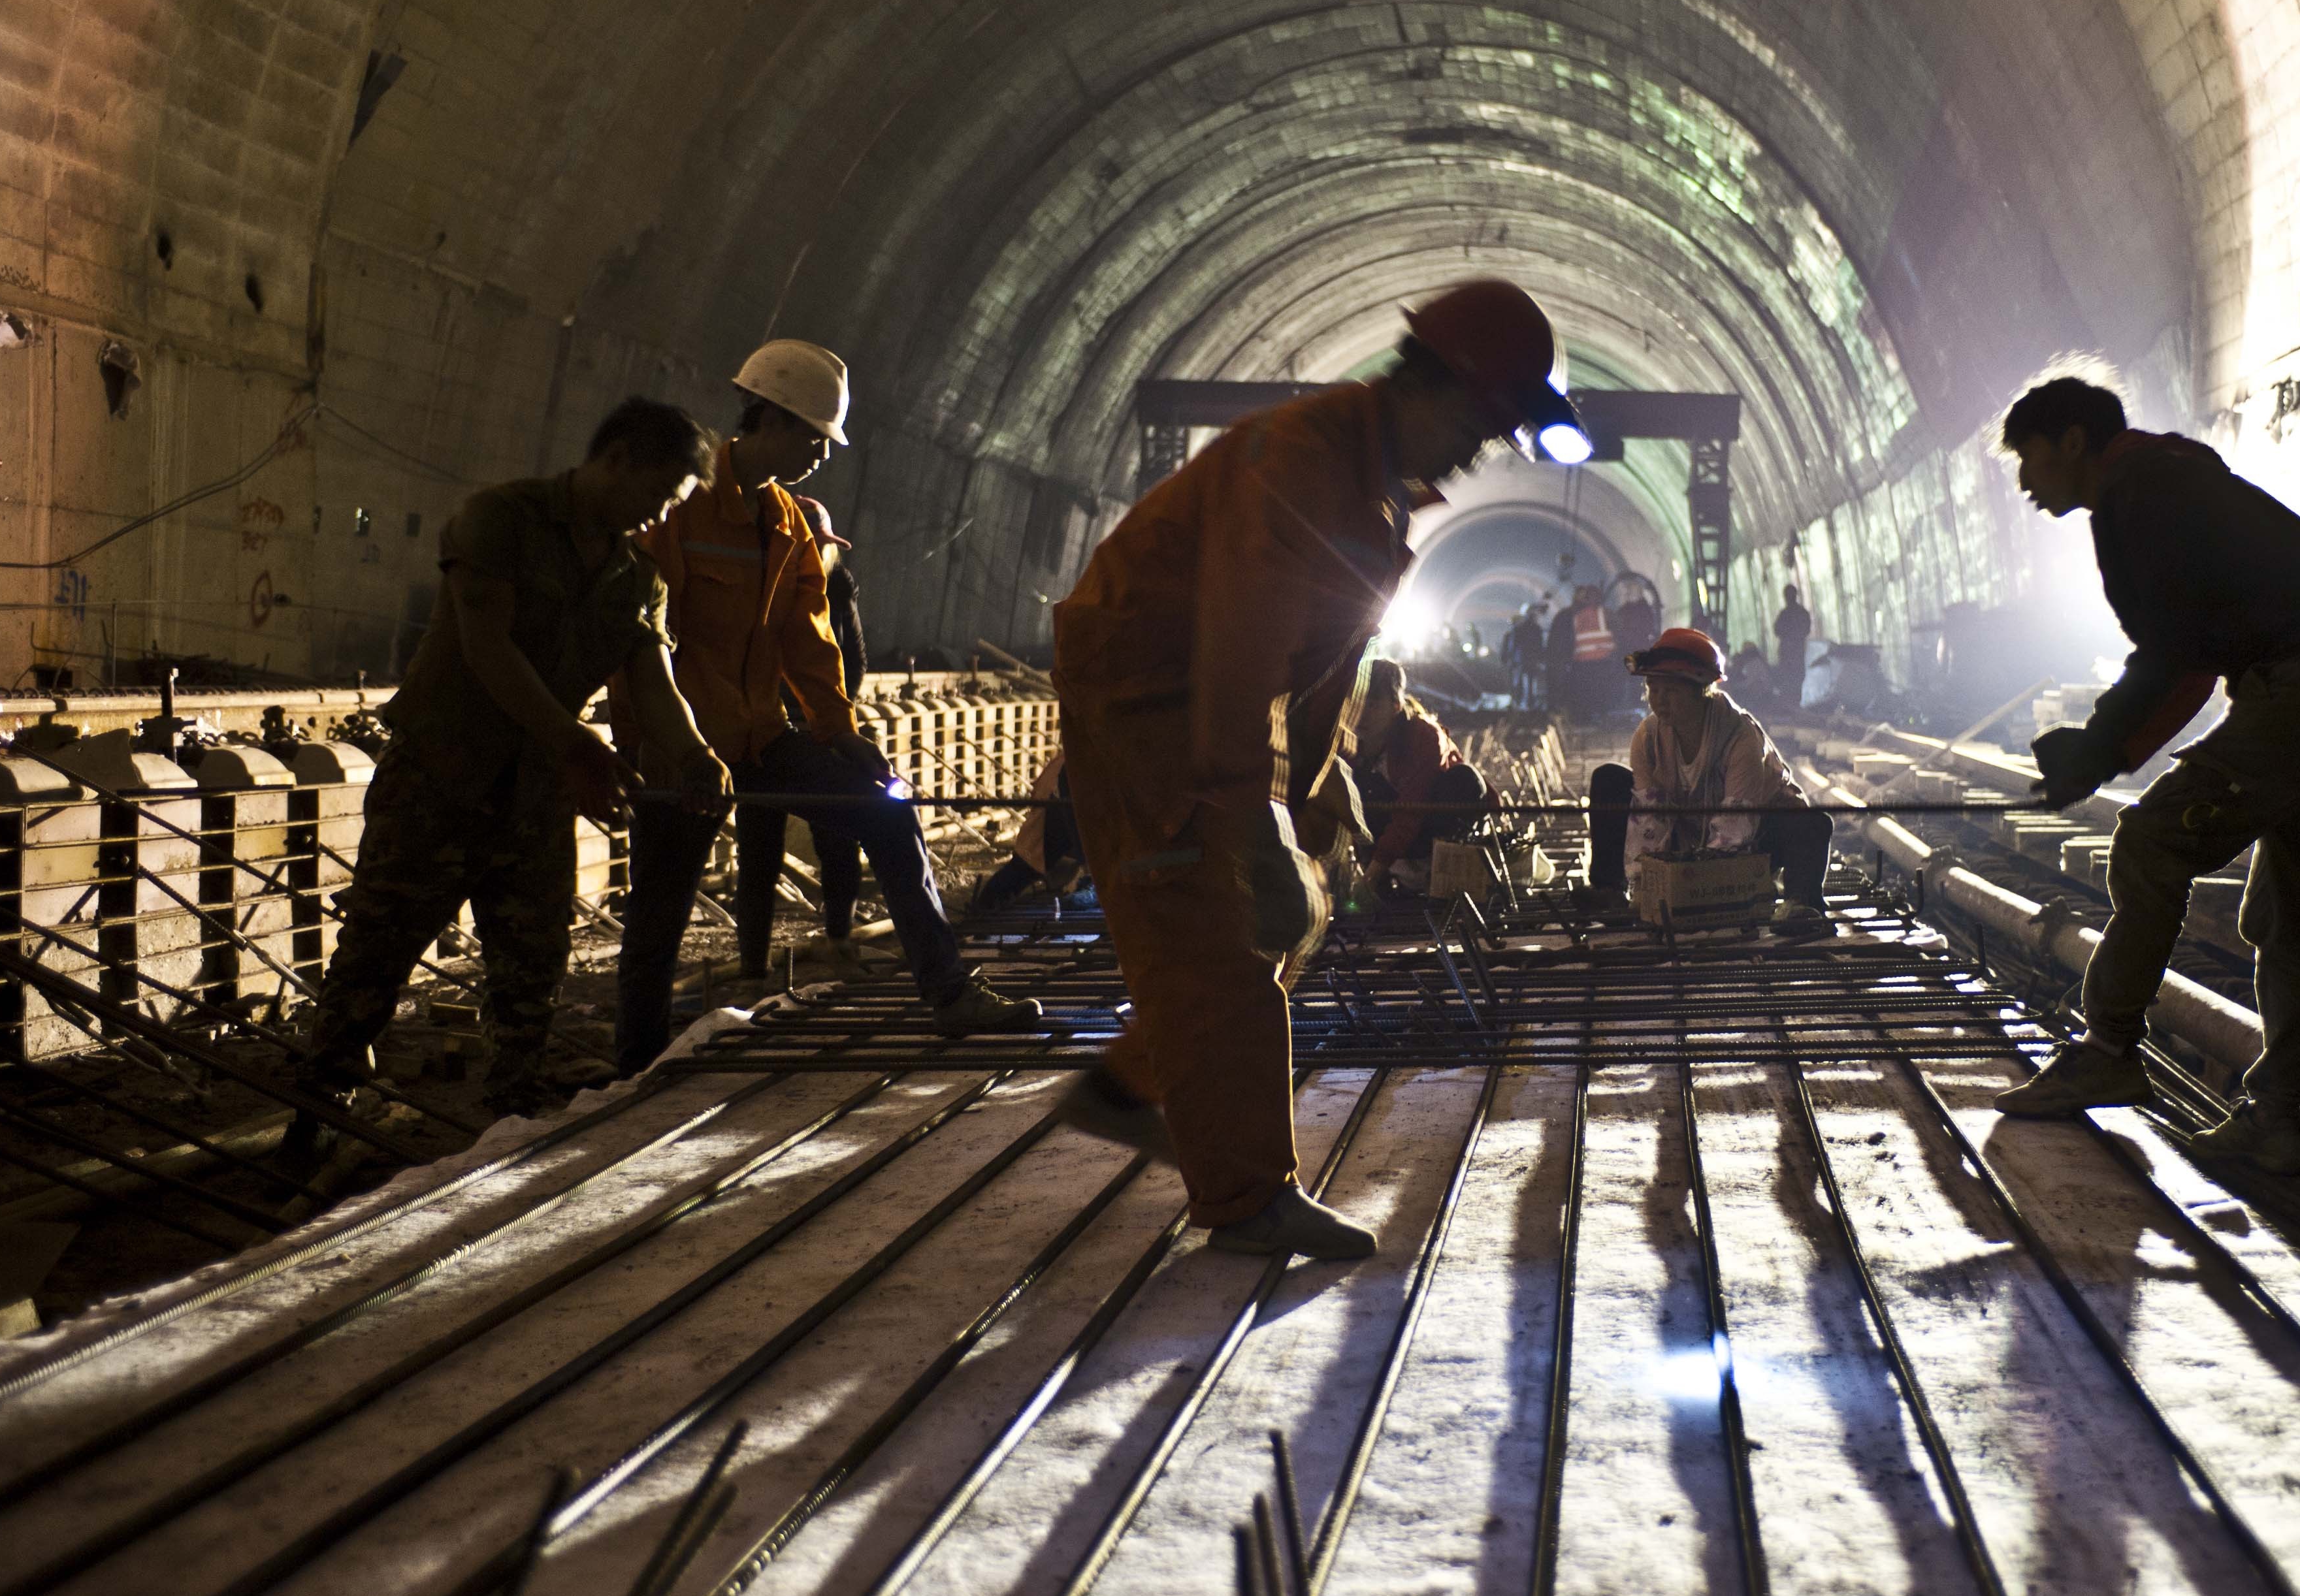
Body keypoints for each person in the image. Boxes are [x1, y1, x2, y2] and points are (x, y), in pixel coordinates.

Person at [1050, 278, 1578, 1260]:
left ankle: (1128, 1082)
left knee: (1305, 892)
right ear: (1437, 388)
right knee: (1220, 922)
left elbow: (1326, 654)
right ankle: (1248, 1200)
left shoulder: (1371, 485)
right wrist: (1248, 810)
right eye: (1480, 428)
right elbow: (1239, 643)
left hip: (1210, 694)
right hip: (1151, 695)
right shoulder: (1301, 461)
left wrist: (1320, 799)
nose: (1475, 457)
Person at [1988, 374, 2300, 1175]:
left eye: (2027, 459)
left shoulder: (2138, 498)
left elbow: (2175, 658)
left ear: (2072, 441)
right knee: (2285, 906)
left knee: (2147, 842)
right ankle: (2275, 1121)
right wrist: (2099, 752)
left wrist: (2096, 753)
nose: (2024, 483)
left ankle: (2108, 1047)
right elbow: (2194, 661)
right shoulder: (2169, 482)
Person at [613, 340, 1040, 1073]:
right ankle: (637, 1060)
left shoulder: (788, 524)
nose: (822, 452)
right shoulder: (678, 510)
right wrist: (662, 745)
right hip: (683, 742)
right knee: (660, 909)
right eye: (814, 435)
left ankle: (949, 992)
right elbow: (641, 644)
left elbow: (809, 646)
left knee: (885, 811)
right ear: (769, 419)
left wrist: (840, 734)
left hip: (760, 736)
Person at [301, 400, 732, 1125]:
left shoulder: (636, 577)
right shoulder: (499, 521)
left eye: (672, 505)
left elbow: (654, 685)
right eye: (656, 495)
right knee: (376, 957)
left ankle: (510, 1124)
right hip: (439, 779)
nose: (658, 516)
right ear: (617, 458)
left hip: (535, 797)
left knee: (530, 975)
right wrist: (578, 744)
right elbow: (487, 650)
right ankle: (320, 1106)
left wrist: (697, 756)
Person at [1583, 628, 1832, 933]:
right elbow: (1648, 818)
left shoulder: (1739, 736)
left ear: (1702, 691)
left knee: (1811, 822)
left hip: (1756, 839)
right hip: (1689, 834)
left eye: (1671, 691)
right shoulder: (1648, 737)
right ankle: (1610, 890)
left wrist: (1697, 889)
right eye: (1653, 689)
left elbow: (1735, 828)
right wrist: (1646, 885)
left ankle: (1802, 904)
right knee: (1609, 779)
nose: (1659, 701)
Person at [731, 492, 867, 975]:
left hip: (806, 731)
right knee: (763, 848)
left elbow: (850, 665)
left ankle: (838, 940)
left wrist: (827, 718)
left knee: (831, 838)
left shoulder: (835, 588)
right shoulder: (762, 585)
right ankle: (756, 964)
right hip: (767, 730)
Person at [1352, 657, 1495, 892]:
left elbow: (1411, 809)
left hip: (1438, 822)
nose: (1362, 714)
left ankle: (1433, 872)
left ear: (1396, 706)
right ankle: (1389, 871)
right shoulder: (1352, 742)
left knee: (1463, 779)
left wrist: (1370, 879)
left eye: (1373, 705)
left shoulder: (1423, 736)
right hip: (1400, 832)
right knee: (1357, 791)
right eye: (1358, 704)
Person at [967, 751, 1089, 916]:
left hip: (1064, 814)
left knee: (1024, 868)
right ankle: (984, 910)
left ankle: (985, 908)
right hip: (1056, 818)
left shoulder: (1071, 757)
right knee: (1024, 868)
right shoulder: (1073, 761)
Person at [1563, 583, 1615, 718]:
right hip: (1602, 659)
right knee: (1601, 691)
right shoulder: (1606, 614)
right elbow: (1618, 633)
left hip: (1582, 661)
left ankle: (1588, 716)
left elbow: (1571, 640)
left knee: (1587, 691)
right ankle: (1602, 716)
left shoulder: (1577, 616)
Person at [1774, 583, 1814, 706]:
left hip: (1789, 651)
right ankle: (1795, 703)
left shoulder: (1785, 614)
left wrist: (1788, 637)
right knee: (1797, 677)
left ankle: (1790, 704)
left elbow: (1777, 630)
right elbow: (1807, 630)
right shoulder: (1802, 613)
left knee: (1789, 678)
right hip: (1797, 651)